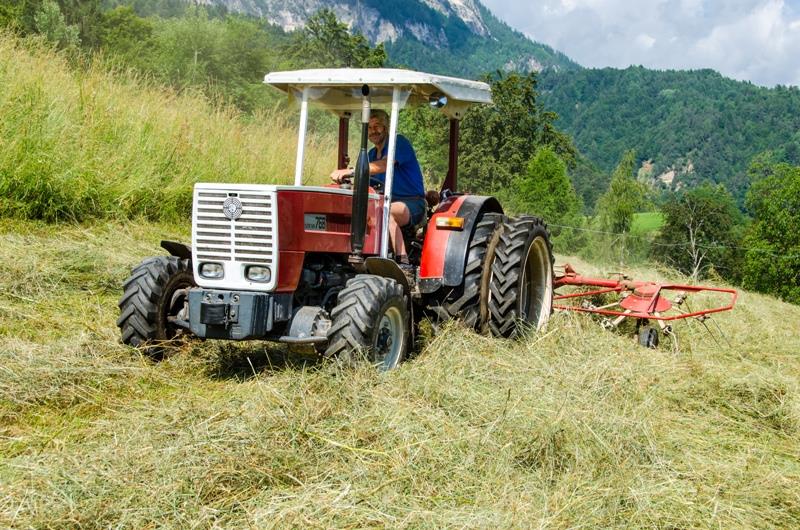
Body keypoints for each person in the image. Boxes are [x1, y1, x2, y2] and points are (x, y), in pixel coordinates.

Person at [330, 109, 426, 269]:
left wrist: (352, 171)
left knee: (384, 213)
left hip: (411, 203)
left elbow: (384, 165)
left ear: (386, 127)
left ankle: (403, 263)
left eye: (378, 126)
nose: (373, 130)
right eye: (370, 127)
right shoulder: (371, 154)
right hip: (383, 201)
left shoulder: (398, 143)